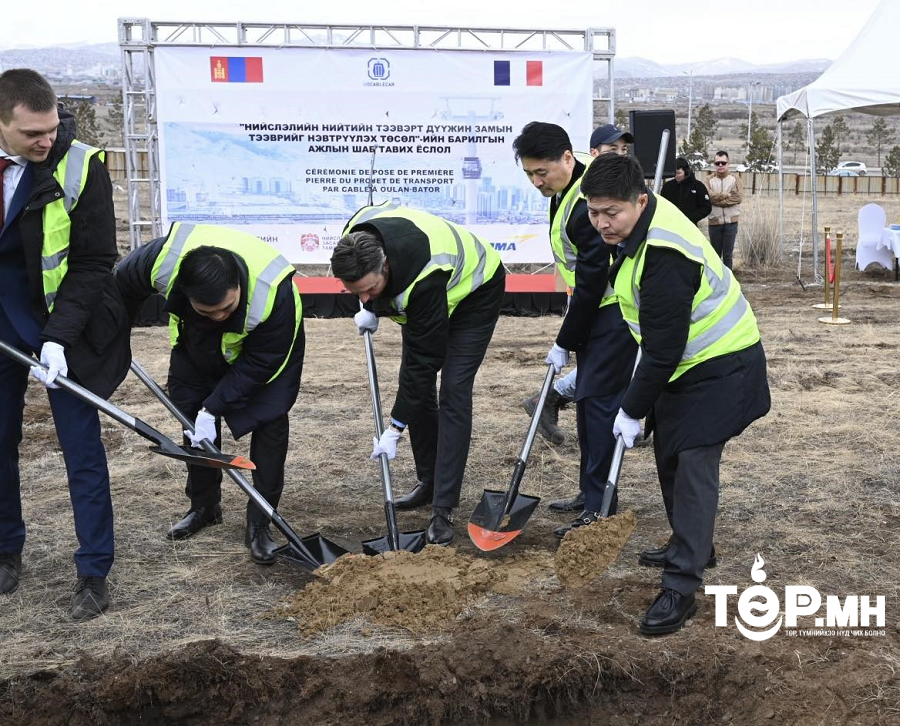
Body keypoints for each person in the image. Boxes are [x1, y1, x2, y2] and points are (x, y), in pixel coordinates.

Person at [581, 153, 770, 636]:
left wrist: (629, 409)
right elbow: (652, 335)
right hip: (683, 365)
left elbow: (663, 348)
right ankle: (693, 543)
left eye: (612, 213)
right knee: (667, 453)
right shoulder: (632, 232)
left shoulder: (665, 253)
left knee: (692, 466)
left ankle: (682, 584)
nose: (601, 222)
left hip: (723, 363)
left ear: (640, 202)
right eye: (593, 211)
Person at [0, 69, 130, 620]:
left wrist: (57, 338)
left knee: (81, 448)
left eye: (51, 128)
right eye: (33, 134)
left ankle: (94, 569)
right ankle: (6, 551)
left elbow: (95, 261)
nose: (47, 140)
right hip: (2, 324)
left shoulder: (81, 165)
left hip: (65, 325)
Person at [115, 224, 304, 565]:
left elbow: (260, 363)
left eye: (226, 308)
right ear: (183, 293)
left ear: (237, 288)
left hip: (264, 358)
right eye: (207, 310)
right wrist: (113, 336)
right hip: (195, 348)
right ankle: (204, 506)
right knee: (190, 421)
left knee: (270, 425)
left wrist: (214, 407)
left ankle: (261, 521)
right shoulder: (160, 262)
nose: (219, 316)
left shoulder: (274, 293)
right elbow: (117, 291)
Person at [331, 203, 504, 546]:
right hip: (425, 300)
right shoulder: (355, 239)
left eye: (369, 289)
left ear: (387, 264)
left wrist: (394, 428)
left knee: (452, 390)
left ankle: (443, 507)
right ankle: (429, 482)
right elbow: (415, 377)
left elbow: (424, 362)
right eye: (356, 291)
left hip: (475, 292)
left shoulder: (423, 273)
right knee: (418, 395)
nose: (363, 296)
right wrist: (369, 306)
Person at [513, 122, 637, 535]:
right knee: (587, 408)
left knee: (599, 409)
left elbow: (593, 276)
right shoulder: (566, 190)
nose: (536, 182)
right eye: (530, 174)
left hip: (613, 313)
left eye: (542, 172)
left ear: (568, 158)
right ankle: (591, 491)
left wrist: (565, 339)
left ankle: (600, 509)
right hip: (593, 311)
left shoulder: (589, 202)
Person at [703, 150, 743, 269]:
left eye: (723, 163)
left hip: (731, 223)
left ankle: (728, 284)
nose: (720, 165)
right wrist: (726, 195)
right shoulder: (708, 180)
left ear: (728, 164)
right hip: (714, 222)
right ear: (714, 164)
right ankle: (716, 283)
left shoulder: (735, 179)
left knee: (728, 256)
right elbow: (708, 196)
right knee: (714, 256)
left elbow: (738, 197)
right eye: (717, 163)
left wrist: (717, 200)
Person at [661, 157, 712, 226]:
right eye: (674, 173)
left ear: (686, 171)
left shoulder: (698, 186)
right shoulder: (667, 186)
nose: (676, 176)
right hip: (671, 225)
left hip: (690, 226)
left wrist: (691, 218)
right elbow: (662, 205)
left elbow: (706, 207)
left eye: (678, 173)